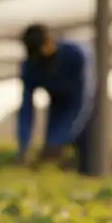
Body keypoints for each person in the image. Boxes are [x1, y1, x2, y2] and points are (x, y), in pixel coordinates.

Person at [16, 23, 97, 173]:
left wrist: (60, 139)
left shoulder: (75, 55)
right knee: (51, 155)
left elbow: (83, 99)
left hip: (88, 105)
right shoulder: (30, 66)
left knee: (92, 155)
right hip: (58, 105)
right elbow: (26, 109)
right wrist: (24, 145)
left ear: (49, 41)